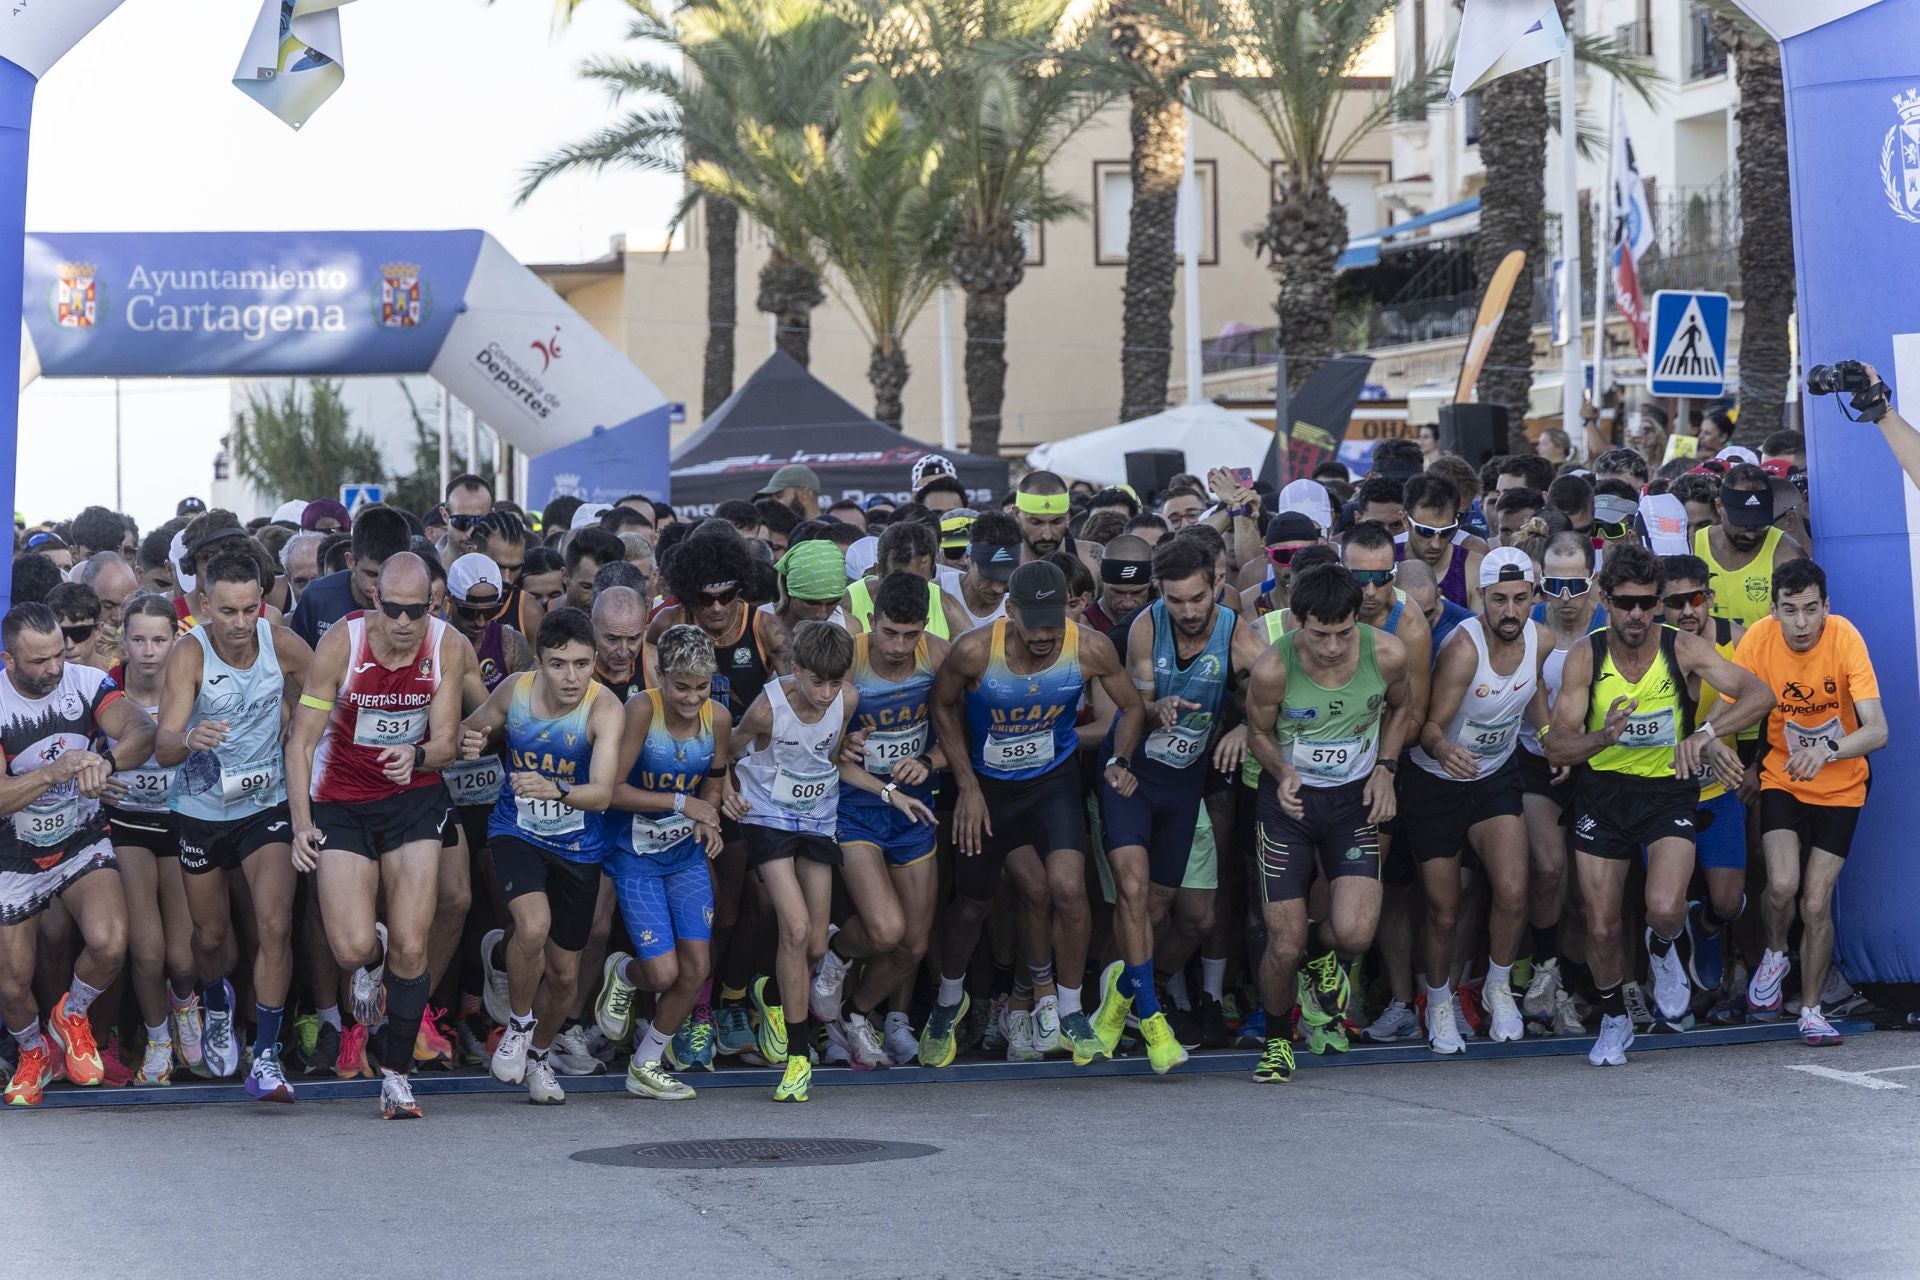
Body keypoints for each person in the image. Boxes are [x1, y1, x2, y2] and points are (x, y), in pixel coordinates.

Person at [1546, 547, 1771, 1066]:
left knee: (1666, 907)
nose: (1637, 616)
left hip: (1667, 792)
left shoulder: (1683, 648)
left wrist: (1707, 733)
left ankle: (1665, 945)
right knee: (1600, 925)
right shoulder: (1587, 655)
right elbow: (1558, 746)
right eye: (1626, 604)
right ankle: (1614, 1018)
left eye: (1647, 604)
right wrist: (1603, 736)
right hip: (1602, 795)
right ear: (1605, 601)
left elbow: (1759, 695)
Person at [925, 560, 1143, 1069]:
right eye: (1035, 623)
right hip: (988, 790)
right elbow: (942, 706)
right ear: (1012, 611)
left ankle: (1069, 1011)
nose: (1045, 635)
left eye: (1054, 623)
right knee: (973, 906)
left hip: (1052, 781)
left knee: (1068, 888)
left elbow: (1133, 707)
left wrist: (1120, 759)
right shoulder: (976, 649)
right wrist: (967, 785)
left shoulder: (1089, 645)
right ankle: (946, 1004)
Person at [286, 553, 467, 1120]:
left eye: (418, 610)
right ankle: (373, 957)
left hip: (412, 798)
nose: (405, 622)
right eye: (394, 609)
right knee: (350, 946)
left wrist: (414, 754)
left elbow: (447, 743)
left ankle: (395, 1074)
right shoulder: (343, 644)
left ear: (432, 606)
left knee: (415, 944)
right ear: (374, 602)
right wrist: (300, 824)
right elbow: (301, 743)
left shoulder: (447, 647)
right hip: (341, 804)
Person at [735, 621, 932, 1102]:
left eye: (834, 681)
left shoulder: (846, 700)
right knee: (797, 928)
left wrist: (890, 793)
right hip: (768, 819)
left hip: (818, 819)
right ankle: (799, 1060)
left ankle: (776, 997)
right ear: (795, 669)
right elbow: (727, 748)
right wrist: (721, 791)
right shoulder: (768, 707)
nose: (825, 693)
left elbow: (835, 763)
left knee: (817, 944)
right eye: (817, 681)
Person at [1092, 536, 1267, 1072]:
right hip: (1131, 777)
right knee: (1133, 889)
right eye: (1176, 601)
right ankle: (1150, 1016)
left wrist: (1242, 728)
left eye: (1198, 599)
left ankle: (1122, 997)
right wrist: (1156, 706)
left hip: (1184, 786)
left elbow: (1276, 693)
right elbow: (1131, 708)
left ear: (1217, 586)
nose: (1189, 612)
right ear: (1158, 593)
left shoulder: (1237, 635)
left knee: (1170, 906)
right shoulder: (1145, 627)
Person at [154, 551, 313, 1102]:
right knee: (211, 936)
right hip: (200, 812)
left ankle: (266, 1056)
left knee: (275, 926)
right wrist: (188, 739)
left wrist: (294, 708)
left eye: (251, 609)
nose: (241, 623)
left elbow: (322, 685)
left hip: (265, 805)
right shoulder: (187, 655)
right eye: (228, 611)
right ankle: (216, 997)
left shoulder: (279, 640)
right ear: (204, 606)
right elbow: (163, 745)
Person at [1244, 565, 1411, 1084]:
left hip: (1353, 802)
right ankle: (1277, 1041)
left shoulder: (1386, 654)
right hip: (1290, 807)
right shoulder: (1274, 667)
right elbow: (1257, 732)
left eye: (1344, 633)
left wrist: (1386, 769)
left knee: (1357, 935)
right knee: (1283, 943)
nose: (1335, 647)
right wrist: (1283, 770)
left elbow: (1402, 711)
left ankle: (1321, 956)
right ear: (1298, 623)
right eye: (1320, 635)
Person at [458, 607, 623, 1104]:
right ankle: (519, 1024)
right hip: (517, 831)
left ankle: (538, 1056)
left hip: (579, 844)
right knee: (532, 926)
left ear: (594, 660)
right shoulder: (515, 691)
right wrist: (472, 738)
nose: (570, 676)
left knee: (566, 973)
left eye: (581, 663)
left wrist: (555, 788)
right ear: (540, 663)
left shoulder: (605, 708)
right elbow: (475, 723)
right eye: (558, 664)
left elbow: (603, 794)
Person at [0, 603, 155, 1106]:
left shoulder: (85, 682)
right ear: (8, 661)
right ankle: (32, 1053)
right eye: (39, 661)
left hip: (79, 836)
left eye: (58, 656)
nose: (53, 669)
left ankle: (71, 1015)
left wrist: (102, 762)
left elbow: (142, 733)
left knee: (111, 942)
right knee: (11, 984)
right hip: (13, 852)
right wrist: (53, 772)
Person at [1402, 548, 1548, 1051]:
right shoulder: (1463, 650)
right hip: (1436, 782)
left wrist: (1555, 740)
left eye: (1520, 599)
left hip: (1493, 777)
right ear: (1480, 598)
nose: (1510, 611)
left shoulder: (1540, 638)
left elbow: (1538, 708)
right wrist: (1444, 748)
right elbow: (1428, 728)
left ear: (1535, 597)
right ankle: (1438, 1001)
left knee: (1513, 889)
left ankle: (1498, 987)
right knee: (1444, 909)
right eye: (1499, 600)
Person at [1734, 559, 1885, 1044]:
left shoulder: (1845, 638)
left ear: (1826, 608)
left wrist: (1827, 750)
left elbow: (1878, 730)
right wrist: (1710, 737)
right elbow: (1733, 704)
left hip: (1841, 785)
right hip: (1783, 775)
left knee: (1816, 903)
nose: (1801, 623)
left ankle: (1813, 1010)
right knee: (1781, 886)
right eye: (1790, 611)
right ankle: (1775, 954)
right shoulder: (1758, 638)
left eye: (1811, 610)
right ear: (1774, 610)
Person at [593, 624, 739, 1099]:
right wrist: (682, 804)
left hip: (683, 854)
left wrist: (708, 818)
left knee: (697, 967)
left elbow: (715, 780)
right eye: (681, 686)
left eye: (701, 687)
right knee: (661, 973)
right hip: (634, 856)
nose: (692, 698)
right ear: (660, 675)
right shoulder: (641, 710)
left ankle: (647, 1062)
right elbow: (610, 791)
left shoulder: (717, 717)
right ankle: (623, 972)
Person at [811, 572, 948, 1069]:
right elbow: (822, 749)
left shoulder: (938, 657)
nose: (899, 645)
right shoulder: (847, 663)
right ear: (871, 622)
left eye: (911, 634)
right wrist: (841, 745)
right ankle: (836, 953)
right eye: (890, 632)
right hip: (857, 809)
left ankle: (857, 1014)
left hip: (914, 810)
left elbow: (960, 739)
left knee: (913, 945)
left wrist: (930, 759)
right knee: (886, 929)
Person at [102, 593, 198, 1084]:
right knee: (147, 952)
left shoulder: (193, 689)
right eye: (138, 639)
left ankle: (186, 1005)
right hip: (126, 827)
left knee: (182, 957)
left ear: (176, 641)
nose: (148, 650)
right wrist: (101, 776)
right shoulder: (105, 692)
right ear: (123, 641)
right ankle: (159, 1041)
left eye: (159, 639)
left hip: (180, 825)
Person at [1513, 529, 1604, 1034]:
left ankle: (1578, 986)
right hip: (1536, 760)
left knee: (1584, 892)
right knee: (1547, 870)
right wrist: (1555, 741)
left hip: (1595, 764)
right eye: (1554, 585)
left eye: (1576, 586)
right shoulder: (1526, 628)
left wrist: (1578, 746)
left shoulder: (1611, 627)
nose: (1565, 599)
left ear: (1593, 581)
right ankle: (1544, 972)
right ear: (1540, 583)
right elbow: (1525, 692)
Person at [1655, 555, 1750, 1001]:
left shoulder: (1737, 640)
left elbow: (1760, 695)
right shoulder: (1647, 646)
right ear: (1661, 605)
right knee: (1661, 906)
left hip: (1718, 790)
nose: (1687, 610)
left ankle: (1706, 927)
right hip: (1659, 794)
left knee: (1729, 903)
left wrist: (1711, 735)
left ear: (1710, 597)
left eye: (1696, 598)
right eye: (1675, 602)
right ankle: (1664, 971)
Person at [1694, 463, 1805, 630]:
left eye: (1759, 525)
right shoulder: (1693, 545)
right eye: (1742, 523)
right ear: (1719, 507)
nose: (1750, 534)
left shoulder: (1788, 555)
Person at [288, 505, 413, 649]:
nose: (380, 584)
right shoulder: (317, 597)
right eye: (372, 574)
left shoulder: (419, 602)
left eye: (391, 574)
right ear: (351, 561)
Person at [1396, 474, 1485, 609]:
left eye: (1446, 532)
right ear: (1405, 521)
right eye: (1425, 531)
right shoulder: (1385, 562)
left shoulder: (1472, 567)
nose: (1435, 544)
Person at [938, 509, 1020, 635]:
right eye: (988, 576)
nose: (998, 589)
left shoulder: (1021, 605)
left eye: (1005, 578)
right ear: (968, 559)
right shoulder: (939, 590)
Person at [1087, 533, 1155, 634]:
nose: (1128, 604)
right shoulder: (1085, 627)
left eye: (1137, 592)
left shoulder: (1162, 621)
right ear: (1102, 582)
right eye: (1118, 592)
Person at [562, 526, 625, 613]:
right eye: (587, 587)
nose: (596, 598)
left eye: (605, 588)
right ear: (565, 575)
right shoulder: (538, 617)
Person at [756, 464, 823, 520]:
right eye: (771, 499)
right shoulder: (768, 533)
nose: (773, 504)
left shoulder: (831, 532)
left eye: (779, 496)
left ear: (804, 493)